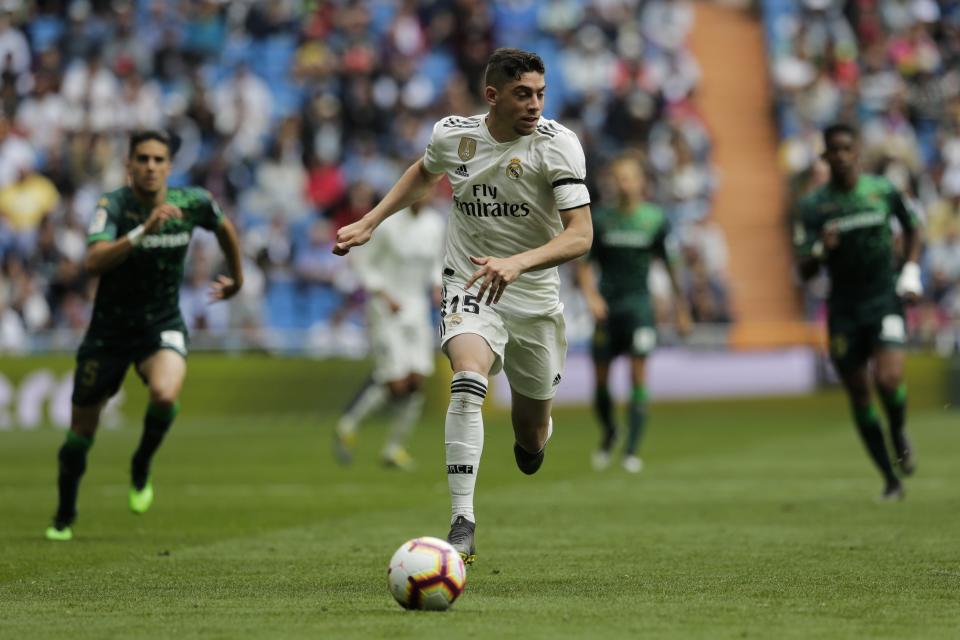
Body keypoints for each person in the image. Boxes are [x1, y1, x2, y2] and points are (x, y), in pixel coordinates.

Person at [333, 48, 593, 564]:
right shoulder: (454, 134)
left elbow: (581, 235)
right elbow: (424, 173)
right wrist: (371, 220)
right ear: (493, 96)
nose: (535, 104)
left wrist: (519, 263)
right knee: (468, 377)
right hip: (469, 283)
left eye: (541, 93)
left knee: (531, 434)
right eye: (523, 94)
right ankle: (462, 520)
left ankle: (534, 440)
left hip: (535, 298)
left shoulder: (559, 146)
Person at [45, 130, 244, 541]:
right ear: (129, 165)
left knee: (166, 395)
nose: (150, 166)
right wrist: (143, 232)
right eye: (143, 159)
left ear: (169, 166)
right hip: (109, 332)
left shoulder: (193, 202)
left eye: (158, 159)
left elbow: (224, 228)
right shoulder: (113, 205)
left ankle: (141, 465)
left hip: (161, 323)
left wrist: (237, 279)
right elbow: (93, 260)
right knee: (82, 431)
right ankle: (65, 511)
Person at [794, 123, 922, 502]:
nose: (841, 156)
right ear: (825, 157)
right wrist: (820, 249)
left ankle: (898, 430)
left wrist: (911, 271)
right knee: (860, 393)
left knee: (888, 379)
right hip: (844, 308)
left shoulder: (881, 191)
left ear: (858, 152)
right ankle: (889, 478)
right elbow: (803, 269)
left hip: (883, 297)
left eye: (847, 148)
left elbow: (914, 228)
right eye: (833, 150)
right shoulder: (814, 206)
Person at [575, 152, 691, 473]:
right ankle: (611, 430)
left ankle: (631, 450)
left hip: (639, 308)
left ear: (642, 182)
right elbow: (584, 265)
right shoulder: (600, 220)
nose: (624, 183)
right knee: (600, 382)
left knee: (638, 376)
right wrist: (591, 296)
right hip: (606, 310)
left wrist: (682, 309)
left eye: (629, 177)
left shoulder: (655, 220)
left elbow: (671, 265)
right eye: (619, 177)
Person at [334, 198, 445, 470]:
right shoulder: (387, 223)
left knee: (416, 378)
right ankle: (347, 425)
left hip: (416, 307)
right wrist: (383, 294)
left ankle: (394, 448)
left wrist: (435, 285)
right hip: (385, 307)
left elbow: (435, 261)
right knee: (395, 381)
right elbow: (363, 263)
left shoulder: (435, 223)